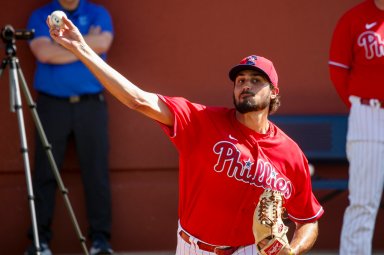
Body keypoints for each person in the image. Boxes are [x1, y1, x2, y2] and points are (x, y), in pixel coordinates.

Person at [48, 15, 324, 255]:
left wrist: (292, 250)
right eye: (241, 81)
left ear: (274, 92)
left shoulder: (290, 154)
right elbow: (137, 100)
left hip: (250, 250)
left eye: (256, 80)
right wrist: (81, 48)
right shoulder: (201, 121)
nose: (246, 86)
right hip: (194, 247)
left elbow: (308, 220)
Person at [25, 0, 114, 254]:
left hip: (91, 105)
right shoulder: (41, 15)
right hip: (52, 105)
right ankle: (39, 242)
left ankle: (101, 242)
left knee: (96, 174)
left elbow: (104, 43)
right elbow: (43, 53)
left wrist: (59, 45)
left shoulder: (98, 13)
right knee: (45, 174)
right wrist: (84, 46)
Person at [328, 0, 384, 254]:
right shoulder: (354, 19)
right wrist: (358, 106)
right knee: (363, 202)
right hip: (369, 114)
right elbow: (338, 72)